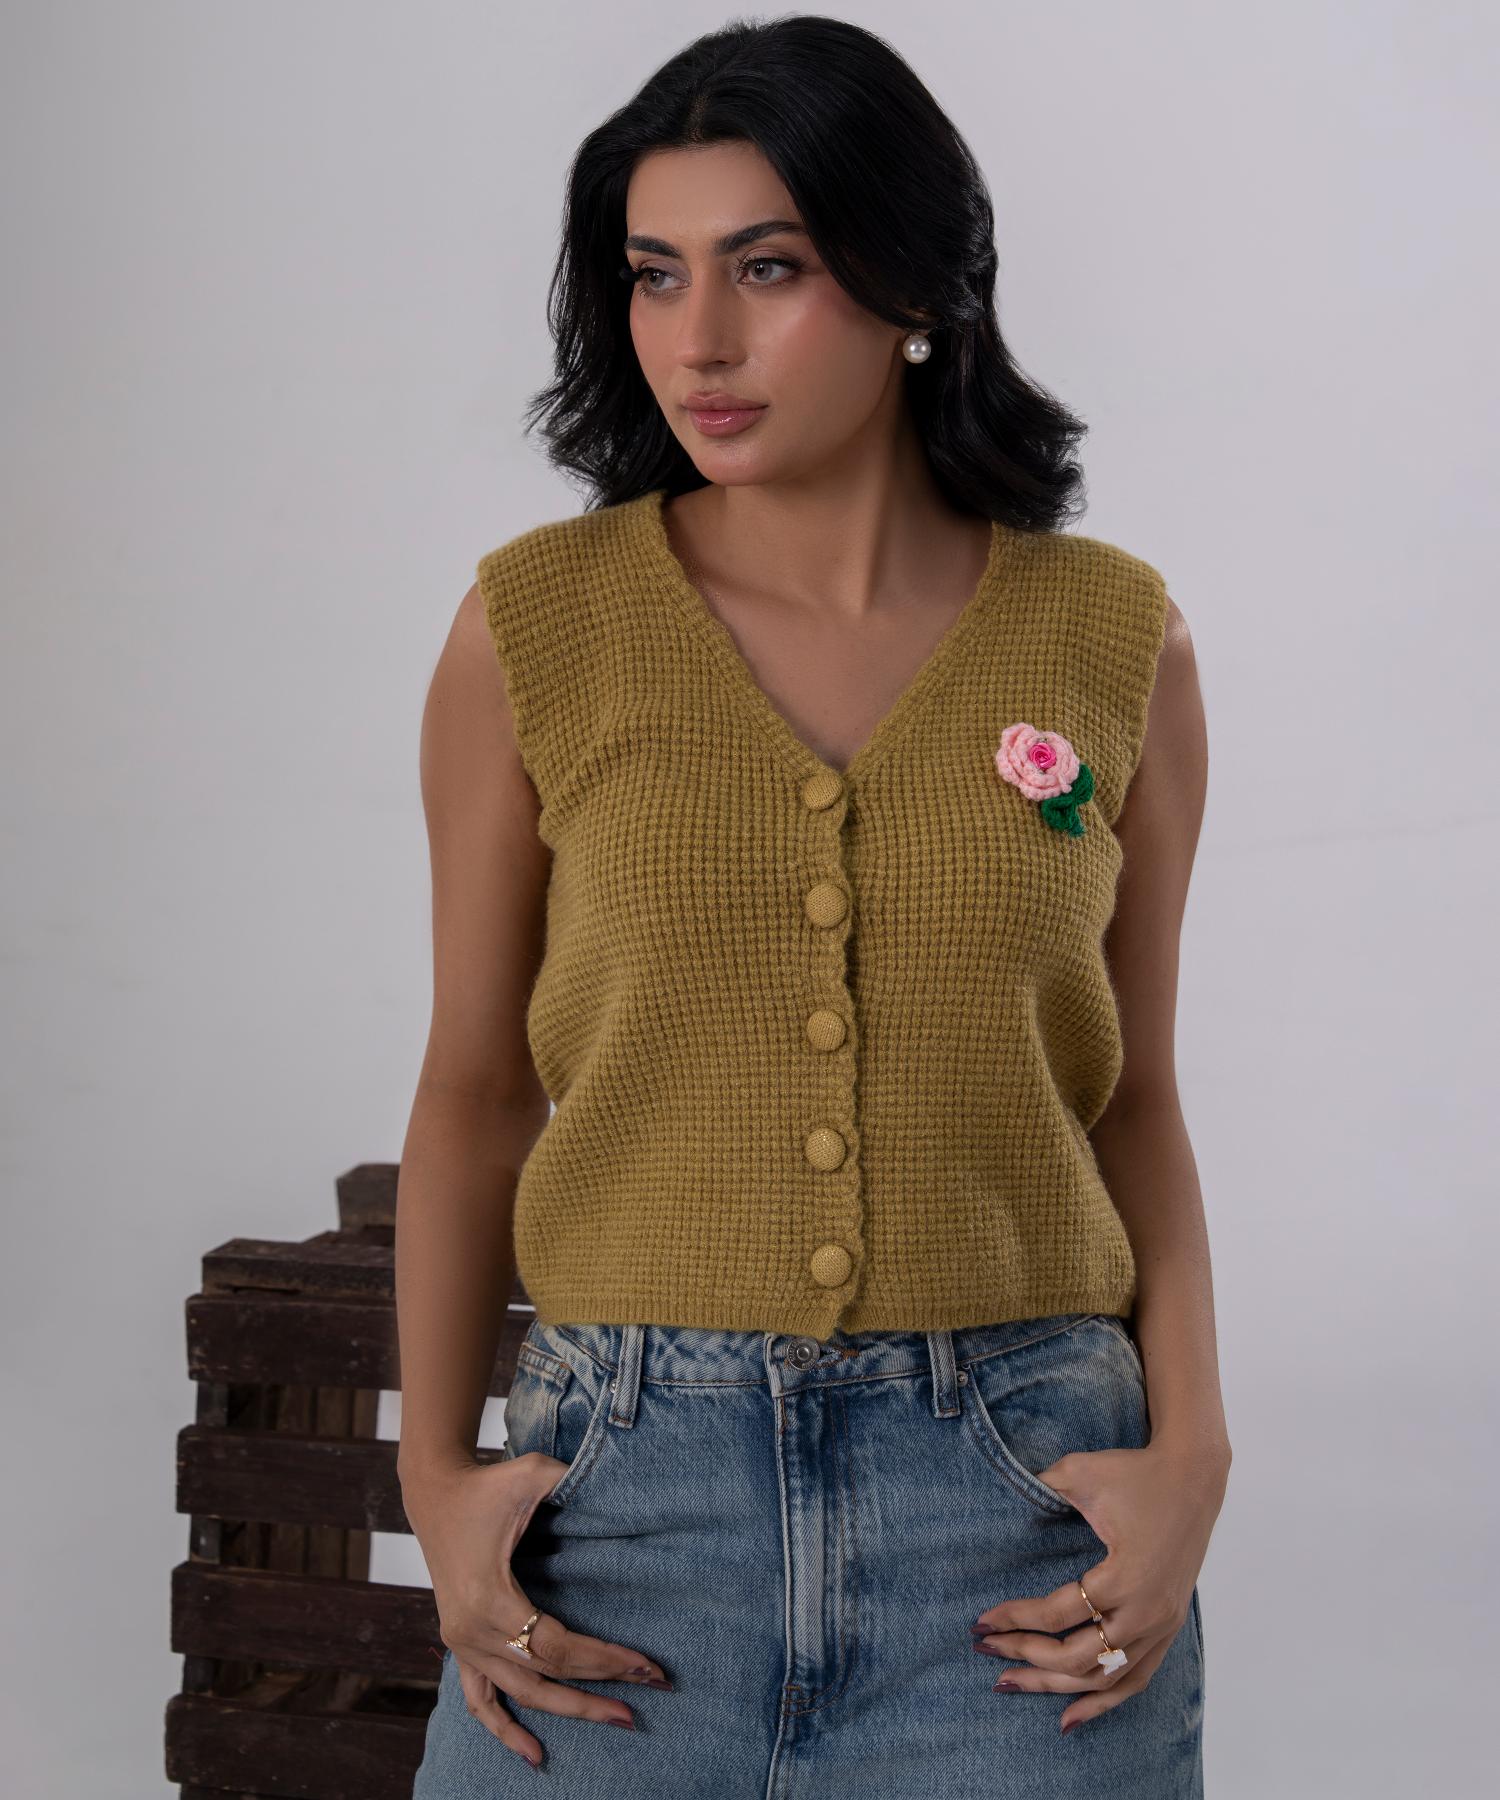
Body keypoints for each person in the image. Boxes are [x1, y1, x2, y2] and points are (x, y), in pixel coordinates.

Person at [397, 15, 1226, 1797]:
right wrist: (434, 1482)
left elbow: (1133, 1098)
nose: (697, 339)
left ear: (915, 284)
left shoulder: (1113, 640)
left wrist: (1197, 1456)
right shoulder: (531, 631)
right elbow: (474, 1089)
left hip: (1025, 1533)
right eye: (655, 274)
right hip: (616, 1525)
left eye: (767, 268)